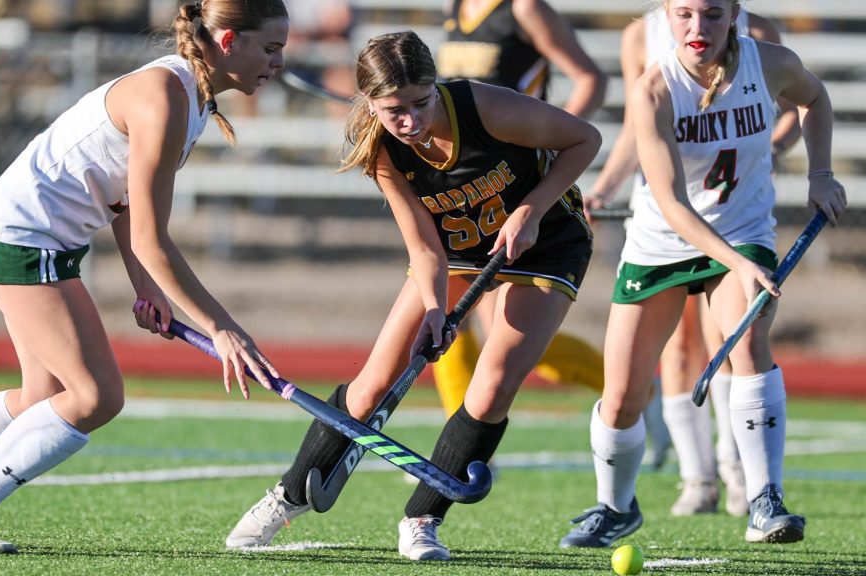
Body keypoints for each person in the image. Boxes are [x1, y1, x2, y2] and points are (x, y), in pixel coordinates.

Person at [0, 0, 289, 555]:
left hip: (36, 238)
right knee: (96, 396)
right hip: (21, 238)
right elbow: (152, 241)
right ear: (230, 42)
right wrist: (223, 327)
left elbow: (133, 207)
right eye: (272, 48)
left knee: (45, 394)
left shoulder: (191, 98)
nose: (279, 63)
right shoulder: (165, 97)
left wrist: (146, 287)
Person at [225, 29, 600, 561]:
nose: (411, 122)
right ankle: (287, 496)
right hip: (454, 251)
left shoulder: (482, 107)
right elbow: (424, 249)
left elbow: (584, 138)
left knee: (493, 384)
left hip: (545, 242)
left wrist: (533, 207)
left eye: (421, 103)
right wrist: (432, 310)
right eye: (393, 110)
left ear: (435, 86)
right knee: (373, 382)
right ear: (370, 104)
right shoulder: (380, 148)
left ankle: (422, 518)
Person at [560, 0, 845, 548]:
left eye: (713, 14)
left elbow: (816, 98)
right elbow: (669, 202)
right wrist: (737, 262)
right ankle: (615, 508)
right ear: (666, 15)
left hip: (743, 230)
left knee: (748, 340)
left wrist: (822, 173)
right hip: (663, 241)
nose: (698, 28)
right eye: (685, 14)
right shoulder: (654, 90)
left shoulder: (771, 63)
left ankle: (765, 499)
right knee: (621, 397)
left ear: (735, 14)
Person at [431, 0, 608, 419]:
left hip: (515, 185)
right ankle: (458, 454)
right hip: (466, 188)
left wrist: (551, 137)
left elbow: (591, 79)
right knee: (439, 316)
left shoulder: (524, 8)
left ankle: (632, 390)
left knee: (506, 337)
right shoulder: (453, 7)